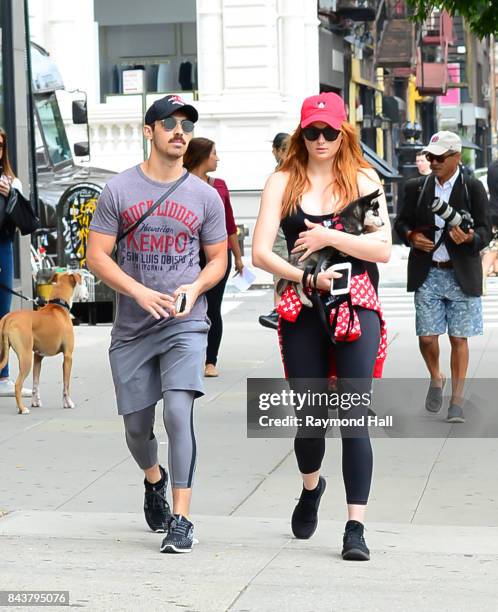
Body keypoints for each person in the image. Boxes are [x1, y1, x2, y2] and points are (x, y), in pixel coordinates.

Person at [252, 92, 391, 561]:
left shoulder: (363, 180)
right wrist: (306, 275)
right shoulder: (282, 182)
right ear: (301, 134)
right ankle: (311, 487)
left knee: (354, 418)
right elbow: (260, 252)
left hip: (357, 306)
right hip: (303, 306)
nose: (321, 139)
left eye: (330, 131)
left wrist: (331, 236)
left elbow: (383, 249)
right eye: (312, 131)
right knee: (311, 421)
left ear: (343, 132)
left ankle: (355, 527)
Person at [86, 95, 227, 554]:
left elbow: (219, 259)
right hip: (132, 327)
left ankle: (182, 518)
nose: (179, 130)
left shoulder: (205, 196)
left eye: (186, 123)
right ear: (149, 131)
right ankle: (153, 478)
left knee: (178, 412)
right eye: (169, 122)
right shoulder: (119, 191)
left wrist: (195, 288)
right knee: (136, 428)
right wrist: (138, 292)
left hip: (185, 324)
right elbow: (96, 256)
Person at [395, 131, 491, 423]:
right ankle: (437, 376)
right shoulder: (416, 188)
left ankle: (457, 402)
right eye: (430, 156)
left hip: (461, 272)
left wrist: (469, 238)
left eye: (439, 157)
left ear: (455, 157)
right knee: (426, 338)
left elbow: (486, 231)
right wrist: (411, 236)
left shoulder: (472, 187)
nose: (432, 161)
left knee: (458, 339)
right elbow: (400, 223)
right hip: (428, 273)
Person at [183, 137, 244, 377]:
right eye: (214, 153)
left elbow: (230, 225)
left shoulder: (220, 186)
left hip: (218, 254)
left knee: (213, 308)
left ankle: (210, 361)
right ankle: (188, 356)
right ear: (201, 156)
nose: (217, 158)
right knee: (188, 305)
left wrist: (238, 257)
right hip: (188, 254)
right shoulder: (179, 183)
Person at [0, 127, 31, 398]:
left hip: (2, 249)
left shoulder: (11, 182)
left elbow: (25, 223)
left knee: (3, 314)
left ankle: (3, 376)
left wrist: (11, 194)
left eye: (0, 146)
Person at [258, 132, 291, 330]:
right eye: (285, 150)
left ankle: (283, 310)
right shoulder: (276, 176)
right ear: (275, 151)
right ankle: (279, 311)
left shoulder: (296, 171)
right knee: (280, 271)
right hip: (278, 230)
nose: (289, 155)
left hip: (293, 226)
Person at [481, 158, 498, 291]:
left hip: (493, 209)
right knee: (493, 249)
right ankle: (481, 277)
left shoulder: (492, 166)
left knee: (494, 247)